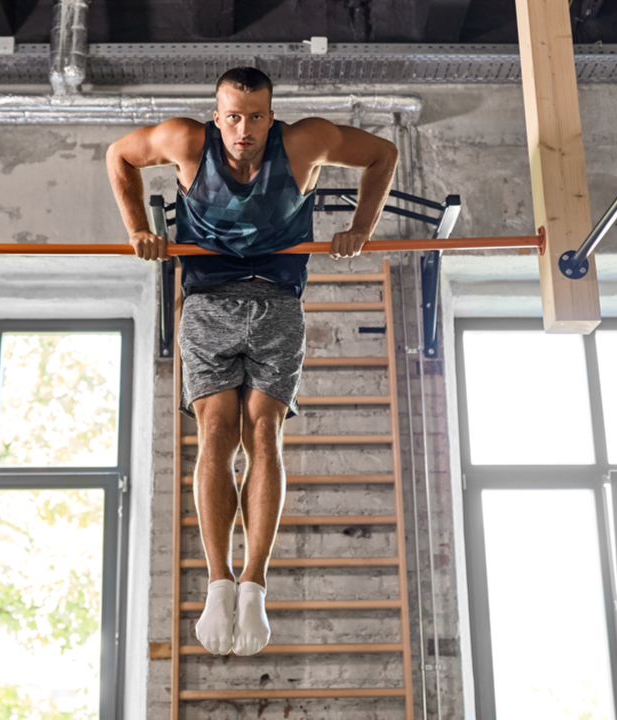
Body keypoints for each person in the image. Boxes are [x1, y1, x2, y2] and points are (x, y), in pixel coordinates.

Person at [106, 67, 398, 656]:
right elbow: (119, 155)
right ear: (217, 116)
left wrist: (359, 229)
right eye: (233, 117)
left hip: (278, 301)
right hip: (208, 303)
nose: (244, 130)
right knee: (217, 432)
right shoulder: (188, 141)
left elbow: (383, 154)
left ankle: (254, 584)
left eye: (256, 116)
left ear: (272, 115)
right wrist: (138, 227)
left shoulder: (305, 142)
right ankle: (219, 582)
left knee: (264, 435)